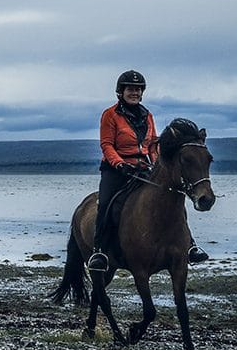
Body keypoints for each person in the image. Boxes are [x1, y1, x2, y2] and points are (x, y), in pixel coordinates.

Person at [87, 70, 208, 271]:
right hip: (115, 170)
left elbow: (152, 144)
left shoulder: (147, 115)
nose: (134, 93)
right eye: (130, 89)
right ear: (121, 92)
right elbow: (107, 145)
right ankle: (99, 251)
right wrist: (119, 164)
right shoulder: (110, 115)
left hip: (143, 168)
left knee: (172, 196)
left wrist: (156, 163)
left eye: (137, 89)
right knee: (107, 204)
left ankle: (190, 245)